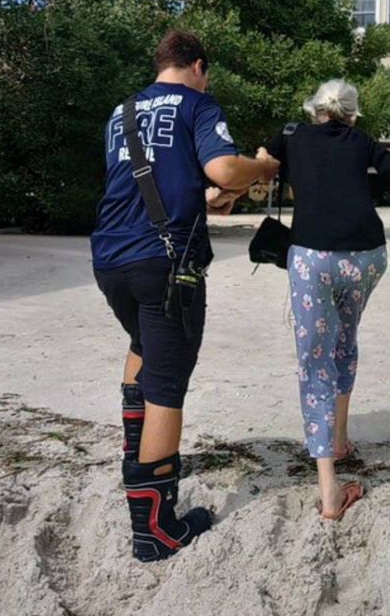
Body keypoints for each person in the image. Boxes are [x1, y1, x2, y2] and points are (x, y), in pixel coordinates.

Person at [91, 30, 279, 561]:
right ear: (197, 66)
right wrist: (261, 169)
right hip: (166, 264)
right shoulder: (198, 103)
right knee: (167, 389)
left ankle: (137, 458)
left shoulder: (121, 111)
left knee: (142, 345)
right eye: (207, 72)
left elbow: (150, 177)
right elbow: (222, 166)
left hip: (111, 258)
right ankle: (155, 529)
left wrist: (211, 198)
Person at [260, 79, 390, 520]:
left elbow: (258, 167)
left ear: (314, 109)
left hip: (312, 260)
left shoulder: (290, 136)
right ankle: (339, 440)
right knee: (344, 340)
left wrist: (222, 191)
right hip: (366, 257)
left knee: (314, 359)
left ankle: (329, 491)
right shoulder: (362, 140)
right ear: (352, 113)